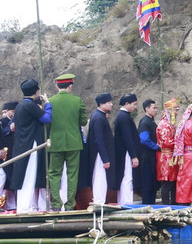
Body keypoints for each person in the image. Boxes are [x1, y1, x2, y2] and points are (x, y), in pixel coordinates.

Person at [10, 79, 52, 213]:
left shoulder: (21, 106)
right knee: (28, 176)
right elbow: (46, 119)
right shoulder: (29, 105)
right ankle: (25, 207)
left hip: (22, 144)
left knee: (26, 176)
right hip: (30, 145)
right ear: (36, 92)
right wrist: (48, 104)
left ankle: (26, 206)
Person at [47, 73, 86, 211]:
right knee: (72, 174)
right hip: (74, 142)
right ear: (70, 86)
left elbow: (46, 124)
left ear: (57, 86)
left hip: (55, 143)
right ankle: (70, 204)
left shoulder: (50, 101)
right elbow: (83, 121)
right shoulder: (77, 100)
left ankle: (56, 204)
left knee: (54, 174)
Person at [111, 93, 140, 205]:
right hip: (126, 153)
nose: (135, 107)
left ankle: (124, 201)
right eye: (134, 104)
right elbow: (128, 138)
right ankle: (126, 202)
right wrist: (134, 155)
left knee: (125, 177)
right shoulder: (123, 117)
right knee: (127, 177)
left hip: (125, 152)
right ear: (126, 104)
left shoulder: (124, 116)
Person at [89, 93, 115, 205]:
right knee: (100, 179)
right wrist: (105, 158)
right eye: (109, 102)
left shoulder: (99, 116)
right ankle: (99, 202)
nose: (111, 104)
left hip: (102, 153)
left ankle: (100, 202)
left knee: (101, 179)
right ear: (101, 104)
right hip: (99, 154)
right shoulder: (98, 118)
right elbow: (98, 139)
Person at [156, 98, 180, 205]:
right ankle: (166, 204)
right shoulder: (164, 124)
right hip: (166, 156)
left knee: (173, 182)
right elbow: (166, 142)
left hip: (171, 155)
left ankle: (174, 203)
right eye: (176, 109)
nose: (177, 112)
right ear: (169, 110)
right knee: (166, 182)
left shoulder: (170, 124)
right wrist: (179, 143)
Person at [137, 99, 160, 205]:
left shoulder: (151, 121)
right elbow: (144, 139)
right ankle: (147, 206)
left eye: (156, 108)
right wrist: (156, 147)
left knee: (152, 185)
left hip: (152, 158)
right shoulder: (145, 122)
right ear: (147, 109)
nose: (156, 110)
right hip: (146, 158)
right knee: (147, 184)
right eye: (153, 108)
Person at [0, 101, 18, 210]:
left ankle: (11, 204)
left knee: (12, 180)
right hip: (5, 154)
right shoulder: (2, 122)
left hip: (14, 153)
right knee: (3, 177)